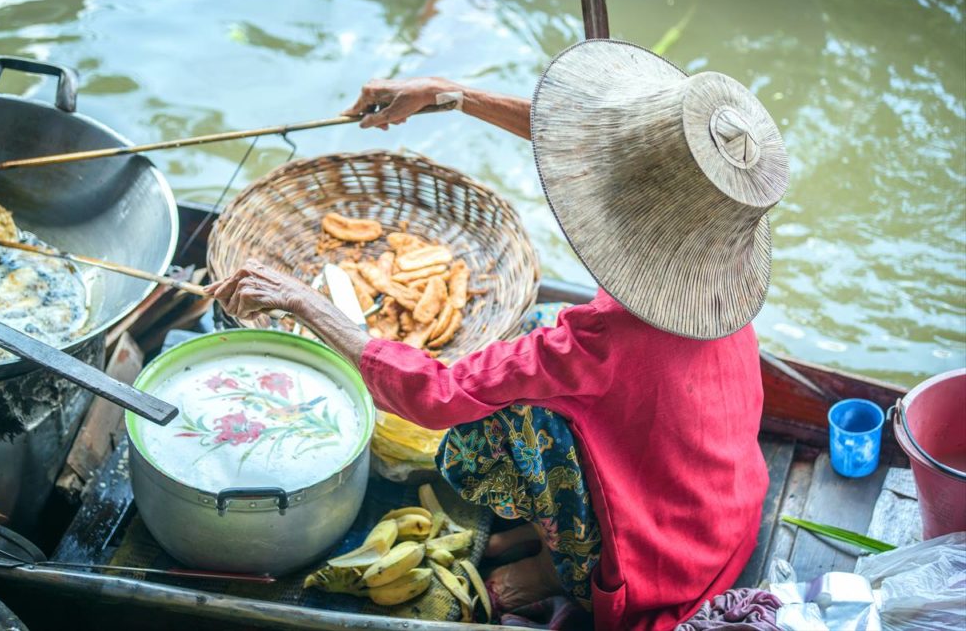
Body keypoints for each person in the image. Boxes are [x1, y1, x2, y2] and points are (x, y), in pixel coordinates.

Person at [207, 39, 790, 631]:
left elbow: (435, 395)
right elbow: (584, 141)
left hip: (660, 565)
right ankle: (553, 541)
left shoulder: (602, 337)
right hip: (727, 514)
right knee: (535, 332)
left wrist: (303, 301)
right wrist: (447, 95)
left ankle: (564, 568)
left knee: (495, 409)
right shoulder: (715, 282)